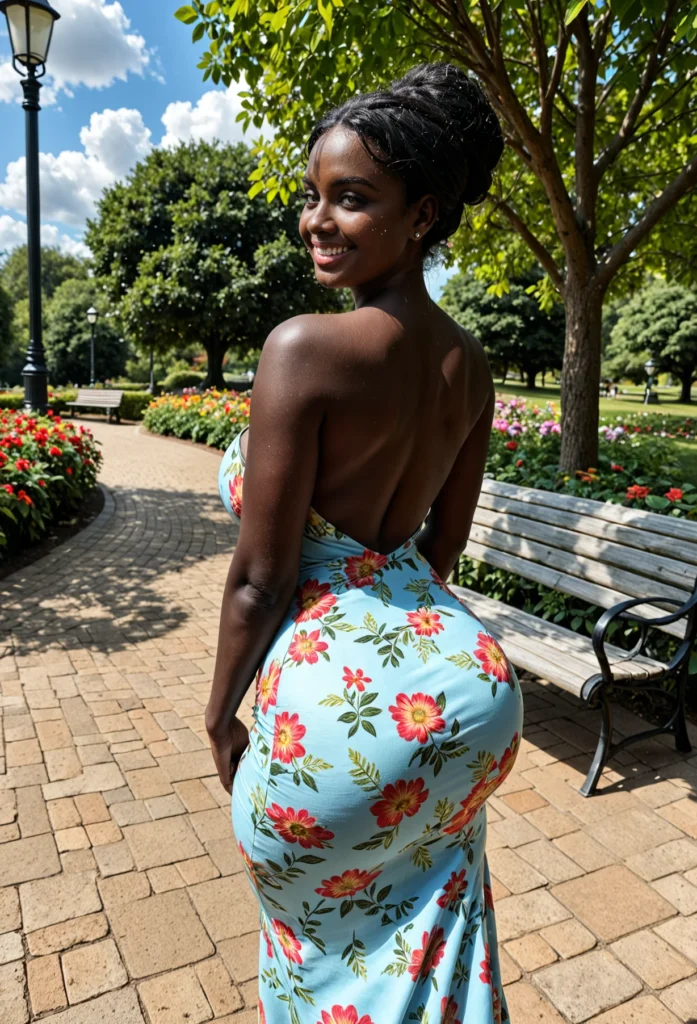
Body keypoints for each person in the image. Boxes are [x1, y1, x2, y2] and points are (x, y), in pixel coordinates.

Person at [208, 63, 523, 1024]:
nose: (317, 220)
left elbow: (262, 581)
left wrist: (221, 717)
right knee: (432, 938)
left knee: (323, 966)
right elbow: (442, 553)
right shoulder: (469, 364)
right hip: (470, 699)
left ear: (422, 214)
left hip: (336, 731)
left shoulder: (304, 349)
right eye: (313, 196)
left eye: (351, 199)